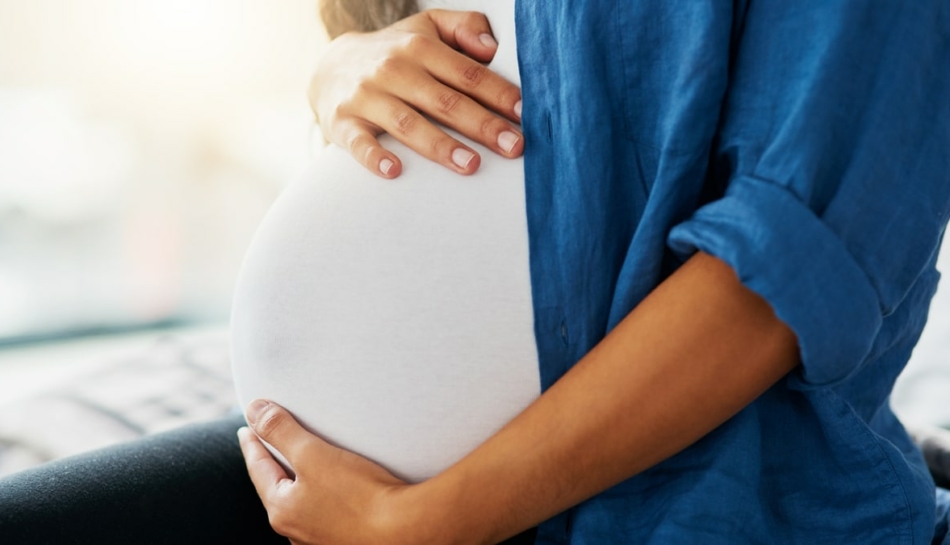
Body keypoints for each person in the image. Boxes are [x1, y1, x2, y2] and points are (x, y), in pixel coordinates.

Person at [1, 2, 949, 545]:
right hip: (355, 487)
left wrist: (422, 526)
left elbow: (782, 278)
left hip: (687, 508)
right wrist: (342, 69)